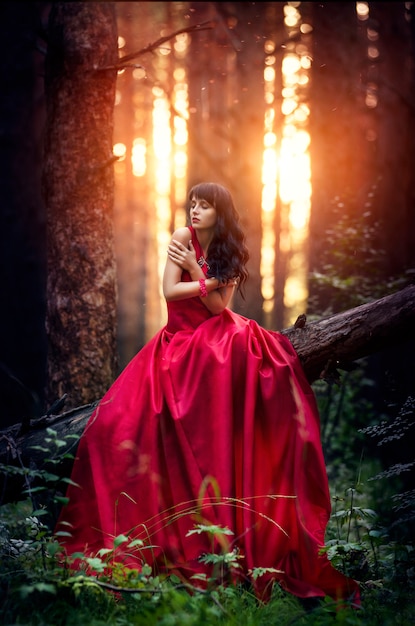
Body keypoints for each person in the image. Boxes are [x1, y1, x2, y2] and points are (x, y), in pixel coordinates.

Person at [55, 182, 360, 604]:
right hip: (178, 338)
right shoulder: (183, 237)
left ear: (222, 211)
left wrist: (200, 275)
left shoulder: (230, 252)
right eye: (193, 203)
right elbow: (168, 292)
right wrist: (206, 283)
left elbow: (219, 309)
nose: (195, 210)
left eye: (205, 205)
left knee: (243, 348)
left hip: (214, 330)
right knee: (115, 422)